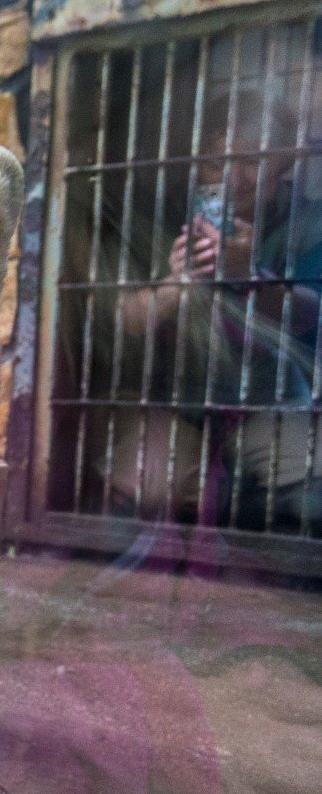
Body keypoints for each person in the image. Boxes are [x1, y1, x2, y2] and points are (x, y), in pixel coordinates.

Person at [114, 88, 321, 531]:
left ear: (281, 165)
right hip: (175, 402)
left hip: (269, 400)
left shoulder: (307, 221)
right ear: (195, 164)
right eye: (215, 161)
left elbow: (310, 313)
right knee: (147, 489)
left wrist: (250, 275)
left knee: (313, 478)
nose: (233, 177)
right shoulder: (163, 213)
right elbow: (121, 320)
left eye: (252, 161)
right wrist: (176, 288)